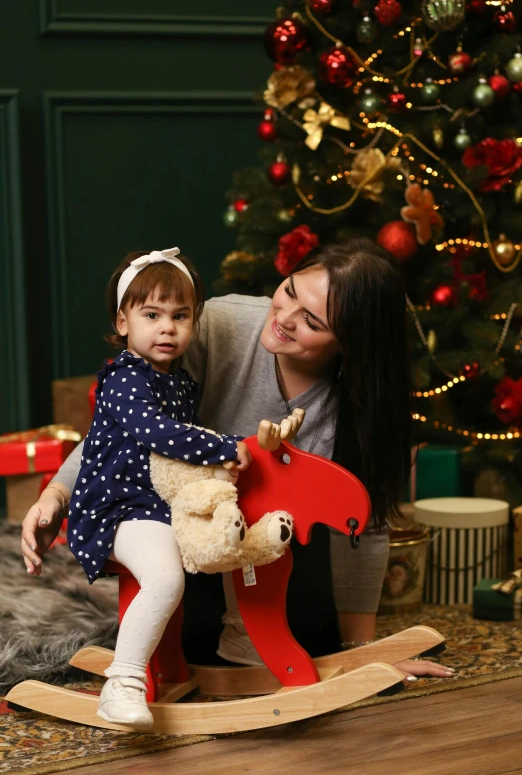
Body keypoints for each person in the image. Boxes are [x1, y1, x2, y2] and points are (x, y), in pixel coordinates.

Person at [21, 238, 454, 681]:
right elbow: (125, 422)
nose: (283, 317)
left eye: (310, 320)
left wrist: (361, 654)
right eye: (288, 291)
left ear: (350, 342)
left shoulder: (359, 408)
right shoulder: (216, 326)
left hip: (276, 545)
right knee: (192, 621)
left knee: (308, 622)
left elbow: (363, 529)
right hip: (195, 533)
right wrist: (58, 493)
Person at [61, 246, 251, 729]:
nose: (167, 327)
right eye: (152, 314)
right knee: (167, 578)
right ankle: (121, 682)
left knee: (235, 538)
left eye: (179, 316)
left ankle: (239, 633)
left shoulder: (178, 381)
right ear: (124, 321)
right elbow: (156, 434)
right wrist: (223, 446)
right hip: (117, 508)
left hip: (157, 506)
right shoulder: (125, 378)